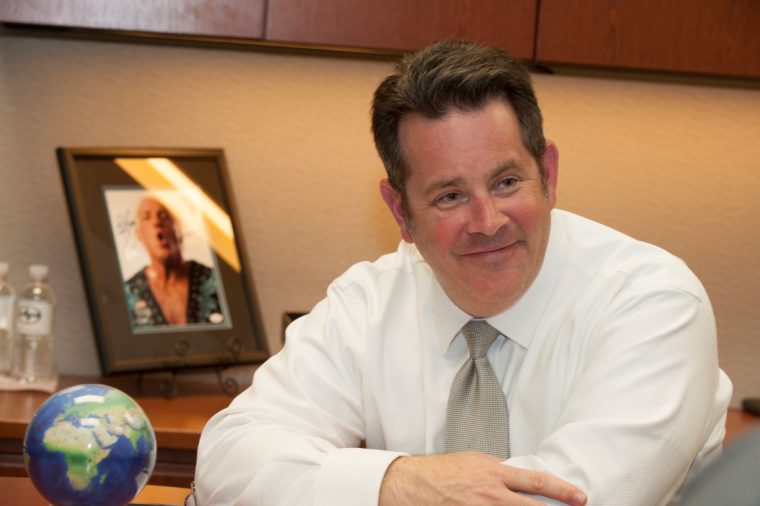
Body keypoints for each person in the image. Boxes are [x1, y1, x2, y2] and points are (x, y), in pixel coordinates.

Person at [194, 40, 732, 505]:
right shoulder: (370, 300)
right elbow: (227, 459)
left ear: (547, 174)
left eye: (506, 183)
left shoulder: (652, 301)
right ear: (401, 212)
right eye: (450, 196)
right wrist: (398, 484)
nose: (488, 222)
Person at [124, 195, 223, 328]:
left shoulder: (214, 280)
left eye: (164, 215)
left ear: (179, 227)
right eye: (146, 217)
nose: (156, 223)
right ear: (139, 234)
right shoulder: (128, 292)